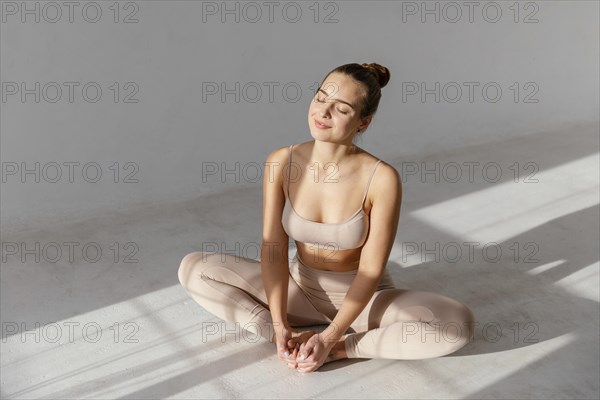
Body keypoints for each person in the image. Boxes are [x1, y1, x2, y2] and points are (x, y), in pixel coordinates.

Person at [178, 63, 476, 373]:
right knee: (194, 268)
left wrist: (333, 338)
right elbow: (274, 249)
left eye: (342, 108)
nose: (324, 112)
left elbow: (371, 270)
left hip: (363, 302)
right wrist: (280, 326)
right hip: (299, 290)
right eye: (321, 98)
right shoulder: (281, 161)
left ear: (363, 123)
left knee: (456, 323)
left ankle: (343, 348)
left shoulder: (381, 178)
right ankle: (288, 338)